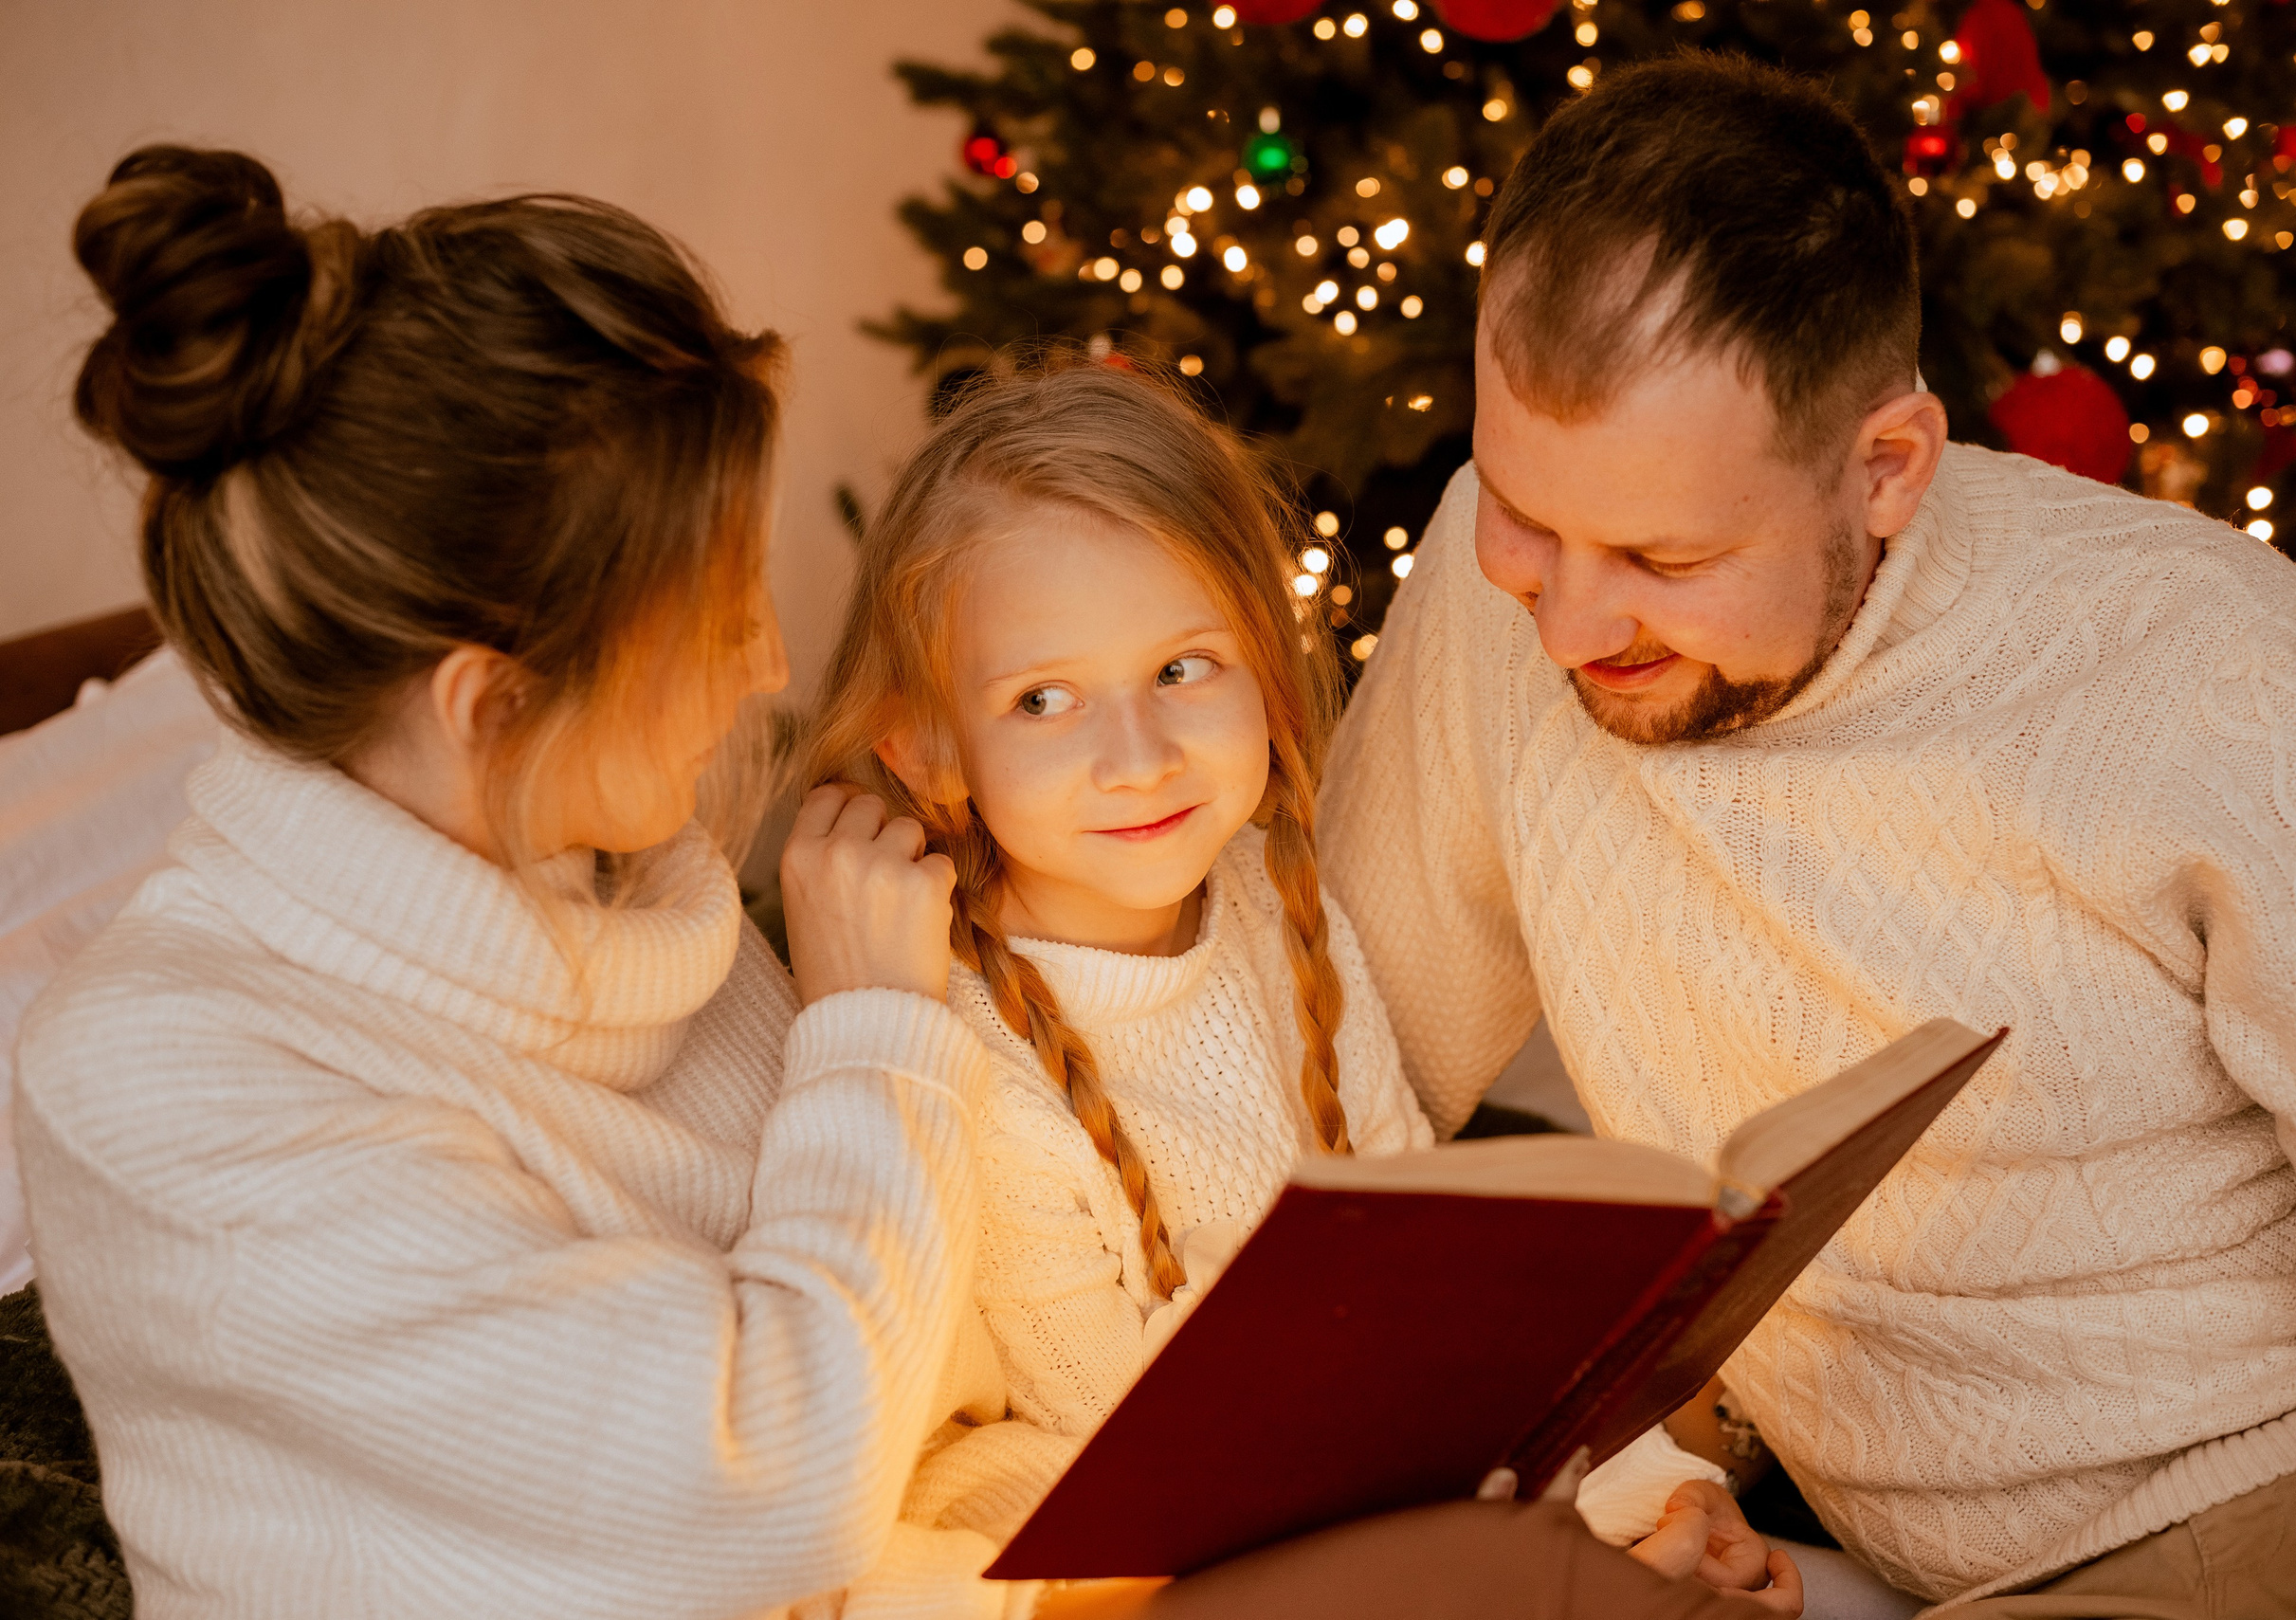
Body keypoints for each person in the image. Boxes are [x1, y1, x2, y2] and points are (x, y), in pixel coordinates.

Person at [18, 146, 1789, 1620]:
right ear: (496, 706)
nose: (767, 658)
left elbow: (951, 1386)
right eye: (709, 616)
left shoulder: (627, 881)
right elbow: (771, 1492)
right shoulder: (175, 1086)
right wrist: (869, 1027)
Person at [1321, 53, 2296, 1620]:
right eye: (1520, 511)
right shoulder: (1500, 592)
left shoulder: (2200, 664)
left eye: (1662, 552)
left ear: (1885, 468)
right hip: (1822, 1533)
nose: (1565, 620)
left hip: (2239, 1513)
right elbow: (1335, 1067)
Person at [810, 360, 1798, 1618]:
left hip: (1371, 1484)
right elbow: (1145, 1458)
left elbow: (1429, 1306)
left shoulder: (1279, 901)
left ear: (1266, 661)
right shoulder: (970, 1044)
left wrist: (1643, 1490)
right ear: (930, 749)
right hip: (1140, 1537)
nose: (1138, 756)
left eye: (1183, 668)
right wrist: (1545, 1530)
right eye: (1044, 699)